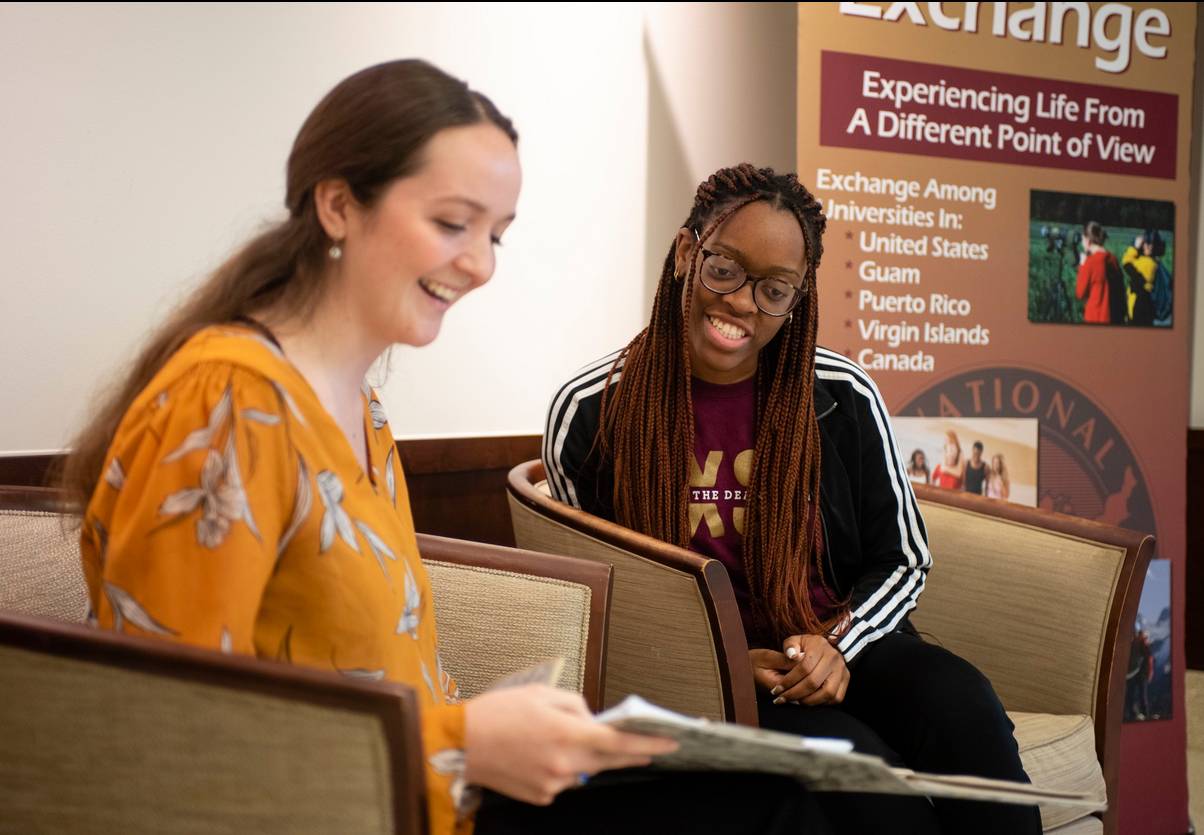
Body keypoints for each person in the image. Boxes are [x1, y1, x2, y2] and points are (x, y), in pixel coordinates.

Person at [61, 62, 827, 835]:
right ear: (338, 205)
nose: (482, 264)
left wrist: (486, 726)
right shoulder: (227, 404)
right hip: (356, 806)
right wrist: (466, 742)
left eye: (495, 235)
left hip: (423, 794)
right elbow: (168, 735)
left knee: (772, 792)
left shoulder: (358, 403)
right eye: (453, 223)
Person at [544, 163, 1039, 835]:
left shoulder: (840, 395)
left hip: (842, 639)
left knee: (964, 704)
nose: (744, 302)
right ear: (689, 252)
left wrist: (839, 644)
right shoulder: (593, 411)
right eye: (725, 270)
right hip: (714, 676)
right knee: (858, 772)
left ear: (797, 297)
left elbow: (904, 558)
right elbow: (598, 603)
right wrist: (717, 666)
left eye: (775, 288)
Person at [1075, 221, 1119, 325]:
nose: (1082, 243)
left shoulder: (1090, 262)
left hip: (1094, 317)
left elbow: (1080, 294)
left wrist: (1082, 265)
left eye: (1082, 240)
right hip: (1113, 316)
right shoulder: (1113, 259)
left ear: (1088, 240)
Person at [1123, 231, 1158, 327]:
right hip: (1144, 305)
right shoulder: (1154, 262)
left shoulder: (1147, 263)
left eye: (1146, 243)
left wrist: (1134, 247)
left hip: (1138, 306)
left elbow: (1127, 264)